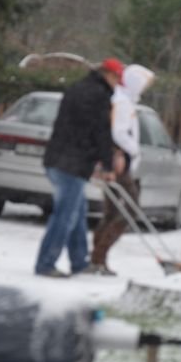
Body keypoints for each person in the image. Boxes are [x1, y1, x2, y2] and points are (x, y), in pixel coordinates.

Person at [34, 58, 123, 278]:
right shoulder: (99, 96)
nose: (117, 85)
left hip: (58, 158)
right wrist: (107, 165)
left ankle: (79, 261)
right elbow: (100, 131)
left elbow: (77, 127)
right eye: (117, 80)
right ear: (109, 76)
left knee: (78, 210)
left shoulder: (77, 88)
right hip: (72, 163)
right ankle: (45, 263)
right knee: (65, 215)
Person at [86, 64, 156, 276]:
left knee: (112, 212)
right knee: (129, 209)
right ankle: (99, 255)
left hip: (115, 161)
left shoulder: (122, 99)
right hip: (119, 163)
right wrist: (133, 150)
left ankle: (97, 257)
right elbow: (118, 132)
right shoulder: (122, 102)